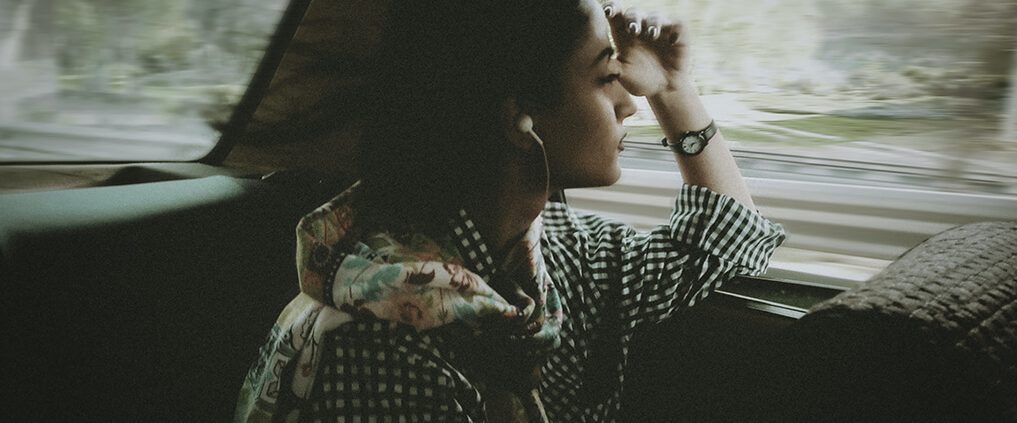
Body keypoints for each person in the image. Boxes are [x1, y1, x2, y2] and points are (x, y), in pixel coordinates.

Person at [235, 0, 785, 421]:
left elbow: (721, 241)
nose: (629, 102)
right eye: (606, 79)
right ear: (518, 118)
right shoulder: (382, 346)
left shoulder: (557, 249)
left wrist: (674, 88)